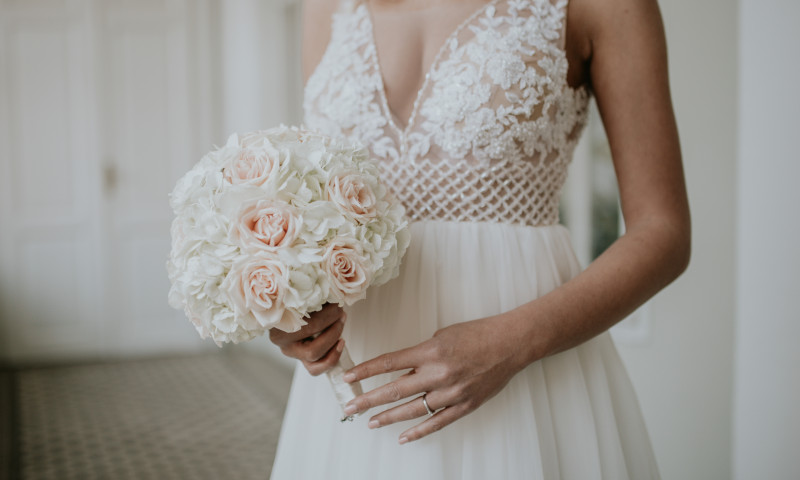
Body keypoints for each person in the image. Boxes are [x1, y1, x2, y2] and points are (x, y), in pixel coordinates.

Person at [270, 0, 689, 477]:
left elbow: (664, 231)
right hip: (363, 376)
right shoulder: (325, 7)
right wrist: (294, 306)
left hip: (528, 374)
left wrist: (512, 343)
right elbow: (316, 204)